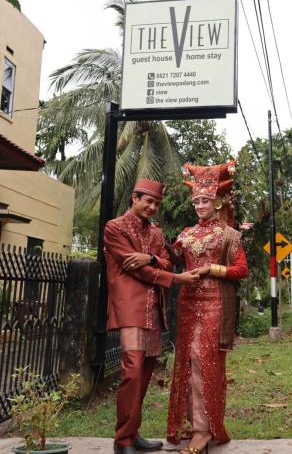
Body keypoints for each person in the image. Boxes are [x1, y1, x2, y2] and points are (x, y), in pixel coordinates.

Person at [104, 178, 200, 454]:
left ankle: (132, 434)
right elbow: (132, 268)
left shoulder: (157, 234)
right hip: (131, 306)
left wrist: (151, 258)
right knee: (132, 370)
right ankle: (122, 441)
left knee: (145, 371)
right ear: (134, 198)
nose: (153, 207)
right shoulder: (115, 228)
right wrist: (175, 278)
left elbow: (164, 259)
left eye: (157, 203)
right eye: (148, 201)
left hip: (154, 308)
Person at [167, 162, 249, 454]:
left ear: (217, 202)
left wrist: (211, 269)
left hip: (214, 304)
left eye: (204, 201)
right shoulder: (186, 233)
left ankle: (204, 429)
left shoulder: (228, 235)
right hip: (187, 304)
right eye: (196, 201)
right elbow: (172, 260)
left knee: (206, 363)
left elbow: (241, 270)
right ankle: (194, 424)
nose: (199, 205)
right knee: (188, 363)